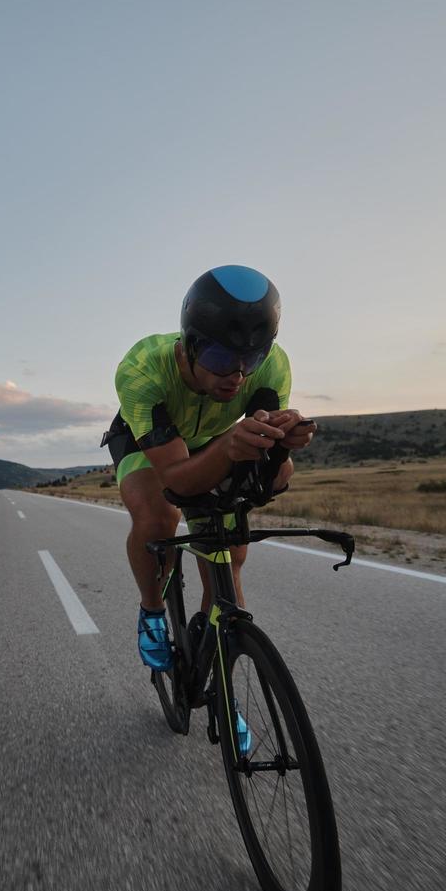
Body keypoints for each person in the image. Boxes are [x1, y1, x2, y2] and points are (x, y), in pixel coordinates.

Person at [101, 265, 317, 670]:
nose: (236, 376)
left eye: (251, 358)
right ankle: (151, 612)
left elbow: (266, 471)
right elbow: (177, 481)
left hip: (216, 440)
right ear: (190, 344)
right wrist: (226, 454)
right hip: (148, 445)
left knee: (228, 560)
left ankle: (219, 682)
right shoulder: (141, 368)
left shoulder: (273, 366)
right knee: (158, 516)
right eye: (220, 357)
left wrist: (282, 447)